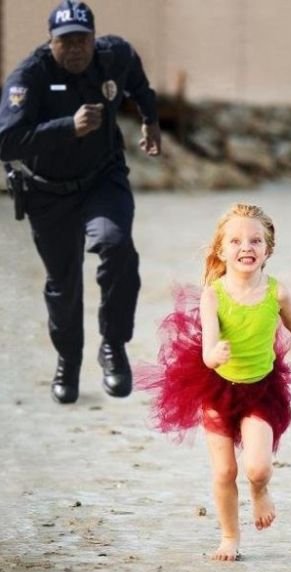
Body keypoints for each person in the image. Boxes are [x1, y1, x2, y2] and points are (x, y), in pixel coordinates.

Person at [135, 203, 291, 562]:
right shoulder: (213, 294)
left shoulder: (277, 292)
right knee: (225, 470)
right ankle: (229, 536)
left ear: (268, 249)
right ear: (221, 250)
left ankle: (259, 492)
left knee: (258, 468)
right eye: (236, 241)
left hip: (262, 389)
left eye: (255, 240)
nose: (246, 247)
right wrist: (214, 354)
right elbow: (209, 347)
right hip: (217, 388)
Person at [0, 0, 161, 404]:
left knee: (116, 246)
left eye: (82, 40)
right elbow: (6, 142)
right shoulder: (28, 77)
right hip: (46, 192)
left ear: (93, 38)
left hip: (101, 178)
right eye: (65, 41)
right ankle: (68, 362)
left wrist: (150, 118)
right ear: (51, 42)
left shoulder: (113, 56)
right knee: (63, 283)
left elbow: (137, 79)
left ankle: (113, 346)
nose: (75, 49)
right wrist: (68, 128)